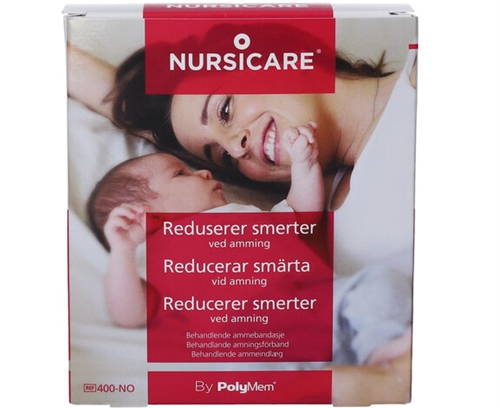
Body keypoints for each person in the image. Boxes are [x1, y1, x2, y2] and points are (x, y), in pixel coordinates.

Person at [87, 131, 411, 369]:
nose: (204, 172)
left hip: (322, 302)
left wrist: (304, 165)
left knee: (380, 283)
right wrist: (122, 251)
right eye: (180, 173)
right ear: (145, 216)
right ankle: (348, 379)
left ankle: (380, 352)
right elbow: (130, 315)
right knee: (248, 370)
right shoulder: (156, 254)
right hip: (255, 340)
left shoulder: (246, 215)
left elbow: (302, 215)